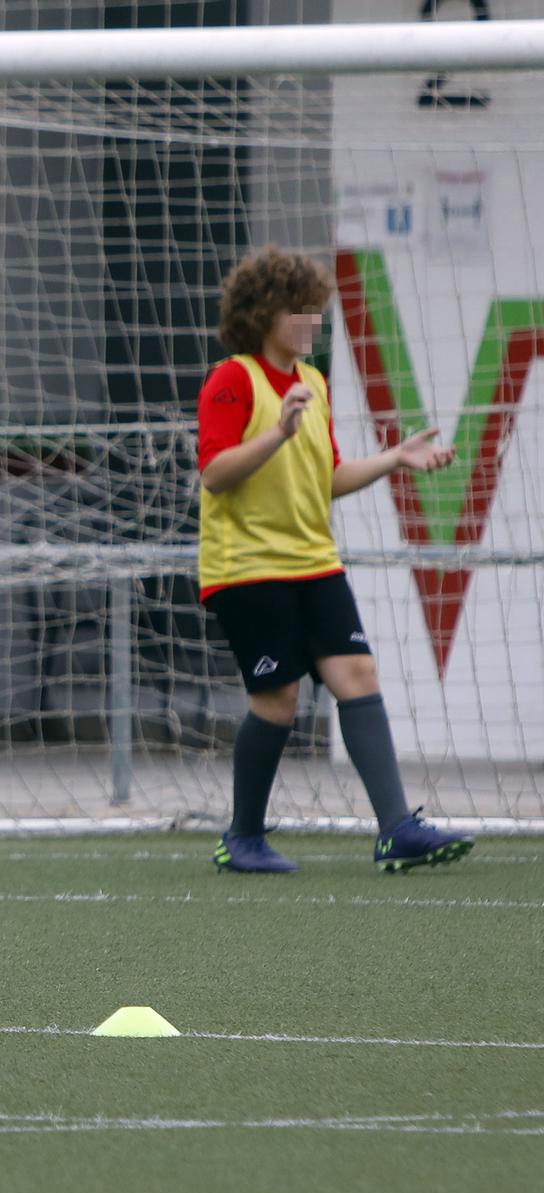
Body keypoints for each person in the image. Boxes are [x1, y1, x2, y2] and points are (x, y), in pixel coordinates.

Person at [196, 246, 474, 875]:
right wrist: (278, 434)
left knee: (358, 676)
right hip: (247, 569)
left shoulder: (314, 384)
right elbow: (214, 475)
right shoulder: (232, 379)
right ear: (265, 313)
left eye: (315, 312)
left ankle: (397, 830)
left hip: (314, 561)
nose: (312, 323)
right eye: (301, 310)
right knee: (278, 701)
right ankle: (241, 838)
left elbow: (326, 477)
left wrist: (396, 459)